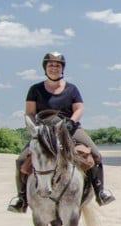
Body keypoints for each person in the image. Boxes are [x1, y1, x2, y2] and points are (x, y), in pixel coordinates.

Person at [8, 52, 115, 213]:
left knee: (96, 155)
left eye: (57, 65)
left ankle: (100, 192)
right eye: (50, 65)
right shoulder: (35, 89)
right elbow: (29, 112)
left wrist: (71, 122)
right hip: (44, 130)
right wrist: (34, 128)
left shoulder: (72, 89)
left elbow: (79, 108)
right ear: (45, 67)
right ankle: (21, 198)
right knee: (21, 160)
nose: (54, 68)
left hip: (69, 128)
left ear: (62, 68)